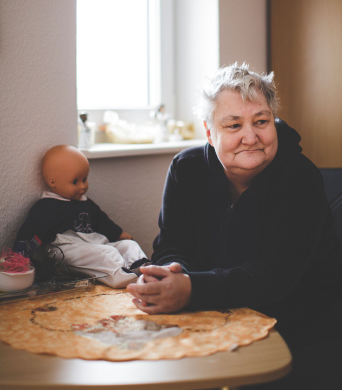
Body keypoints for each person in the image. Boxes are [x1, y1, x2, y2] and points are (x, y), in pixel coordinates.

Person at [128, 63, 342, 389]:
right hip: (213, 318)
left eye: (261, 121)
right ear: (209, 131)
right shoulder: (185, 169)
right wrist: (174, 271)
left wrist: (191, 289)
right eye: (233, 125)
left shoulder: (300, 178)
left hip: (298, 331)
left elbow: (275, 277)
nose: (250, 137)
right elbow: (172, 244)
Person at [14, 145, 149, 288]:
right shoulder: (47, 206)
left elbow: (101, 221)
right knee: (106, 253)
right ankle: (121, 274)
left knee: (128, 245)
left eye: (84, 179)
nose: (82, 186)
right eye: (75, 181)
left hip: (95, 243)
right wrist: (20, 255)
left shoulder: (84, 202)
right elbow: (31, 231)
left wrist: (118, 233)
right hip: (67, 248)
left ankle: (143, 267)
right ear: (53, 182)